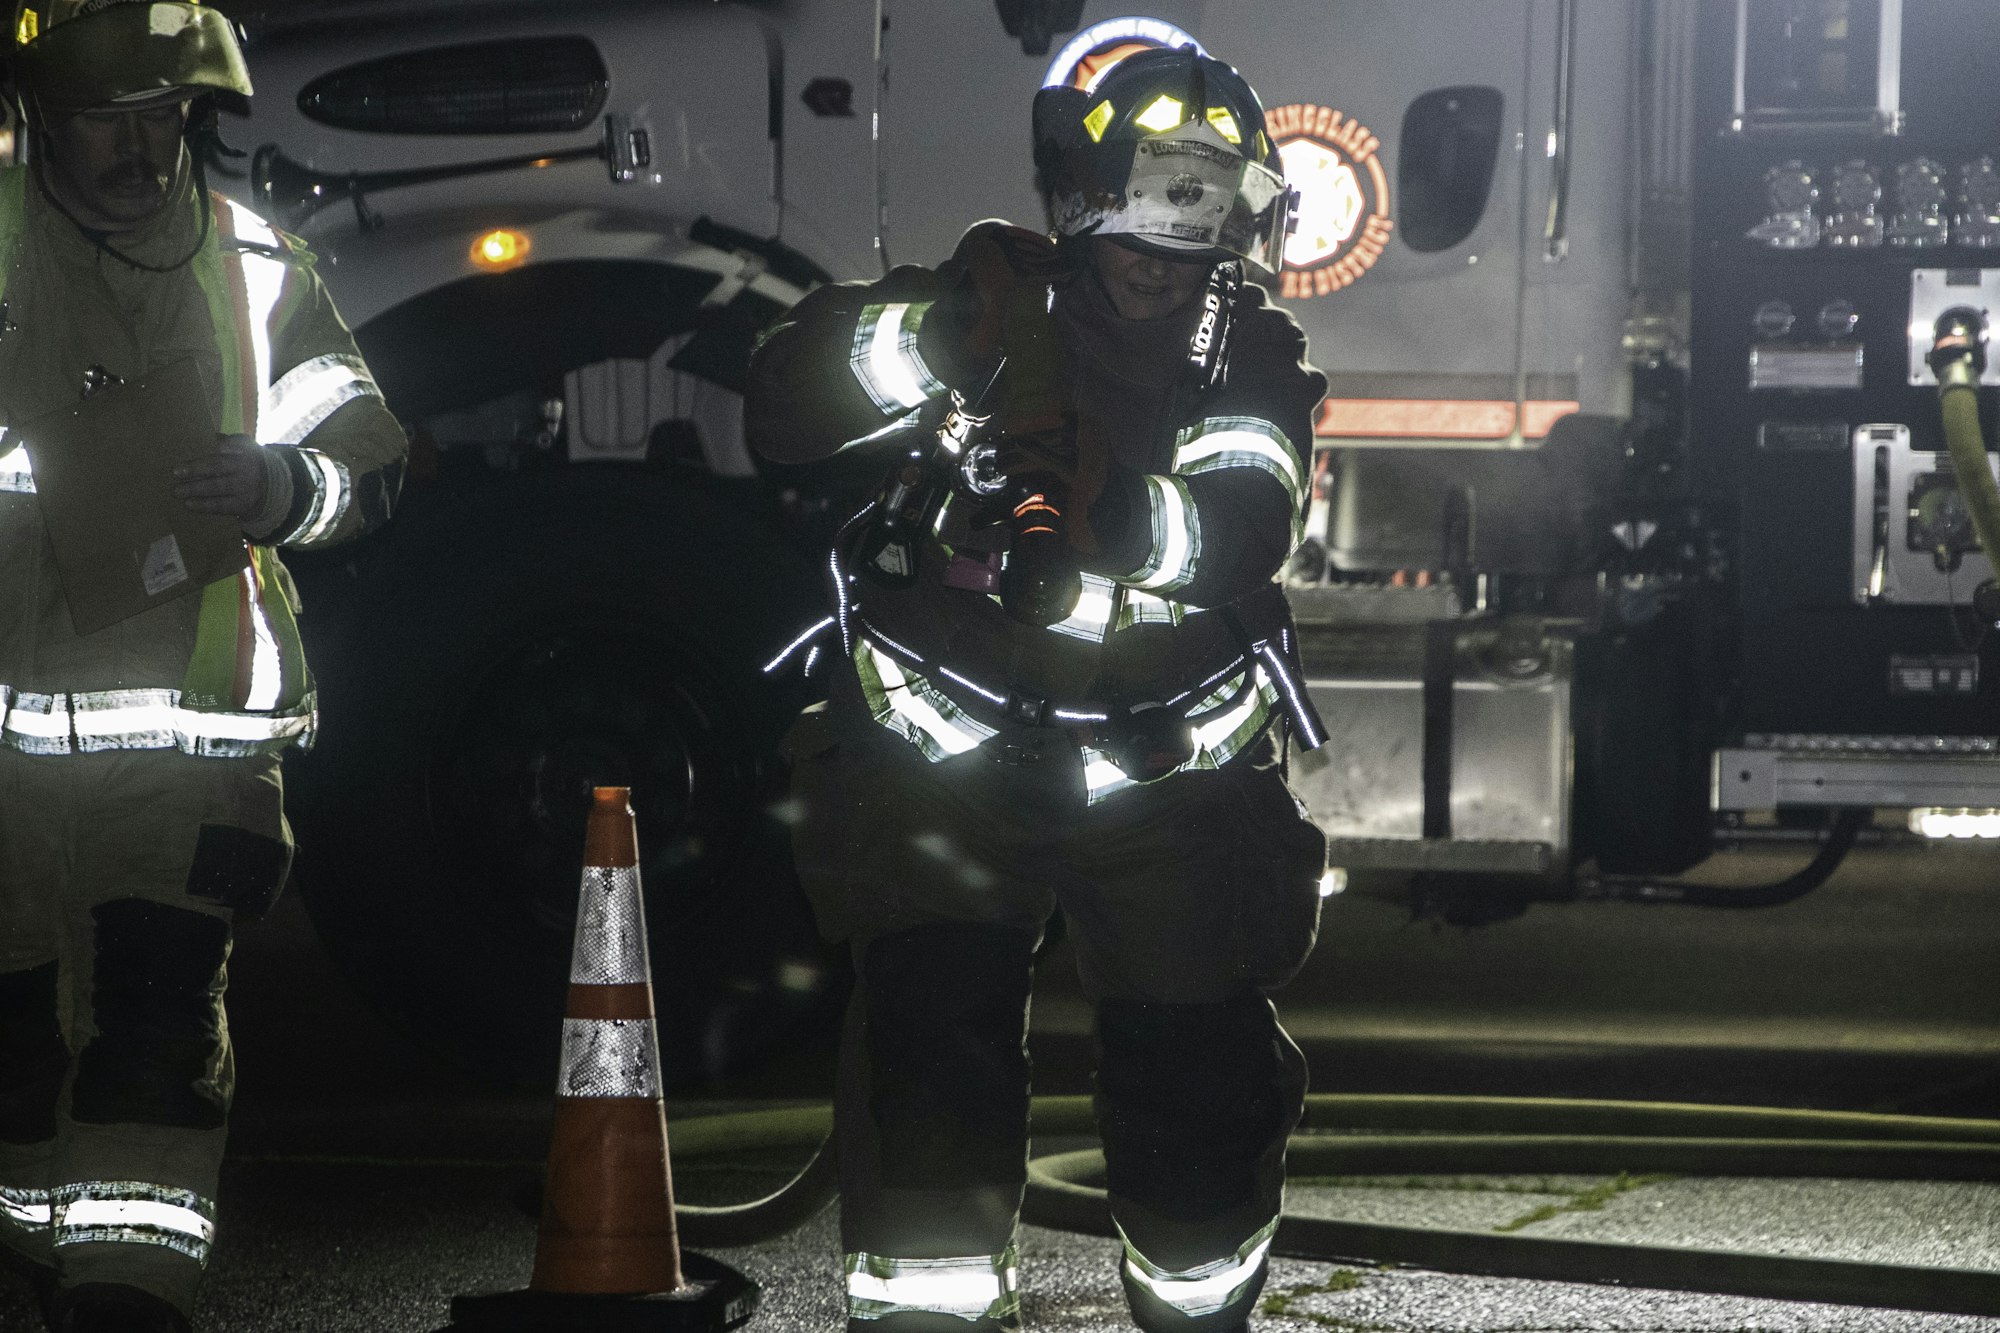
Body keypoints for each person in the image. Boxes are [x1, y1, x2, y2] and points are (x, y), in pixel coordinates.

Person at [747, 45, 1329, 1333]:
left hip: (1169, 779)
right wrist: (932, 343)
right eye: (1141, 214)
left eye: (1196, 222)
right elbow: (780, 410)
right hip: (941, 763)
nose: (1162, 254)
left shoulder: (1251, 352)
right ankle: (929, 1308)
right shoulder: (986, 305)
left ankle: (1194, 1299)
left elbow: (1244, 524)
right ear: (1080, 200)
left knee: (1194, 1092)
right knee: (928, 1058)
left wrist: (1101, 512)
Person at [0, 3, 407, 1329]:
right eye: (104, 119)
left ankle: (127, 1301)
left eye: (161, 114)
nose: (140, 147)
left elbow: (370, 459)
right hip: (7, 764)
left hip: (193, 754)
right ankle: (41, 1263)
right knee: (18, 1060)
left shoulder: (256, 263)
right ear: (43, 117)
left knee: (157, 1038)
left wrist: (286, 484)